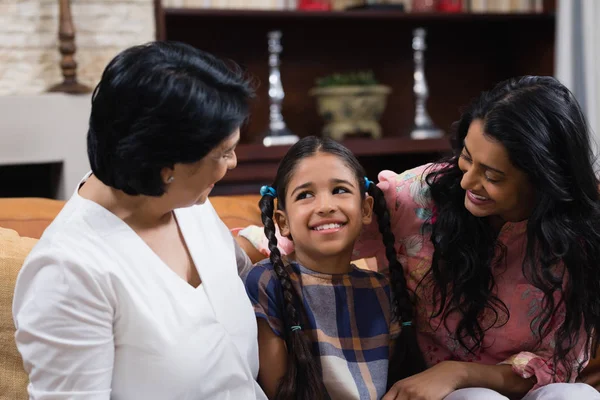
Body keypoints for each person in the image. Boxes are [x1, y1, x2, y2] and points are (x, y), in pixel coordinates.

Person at [240, 76, 600, 399]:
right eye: (467, 158)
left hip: (520, 388)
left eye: (492, 175)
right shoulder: (422, 198)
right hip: (445, 397)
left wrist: (458, 373)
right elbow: (298, 238)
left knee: (578, 396)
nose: (467, 182)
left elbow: (556, 364)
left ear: (545, 180)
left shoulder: (581, 244)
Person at [12, 41, 267, 399]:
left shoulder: (187, 202)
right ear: (167, 168)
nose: (234, 163)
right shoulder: (68, 272)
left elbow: (230, 281)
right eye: (223, 153)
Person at [242, 136, 426, 400]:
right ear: (283, 223)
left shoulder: (383, 289)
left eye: (340, 190)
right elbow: (279, 391)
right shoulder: (266, 282)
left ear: (365, 209)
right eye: (305, 195)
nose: (326, 206)